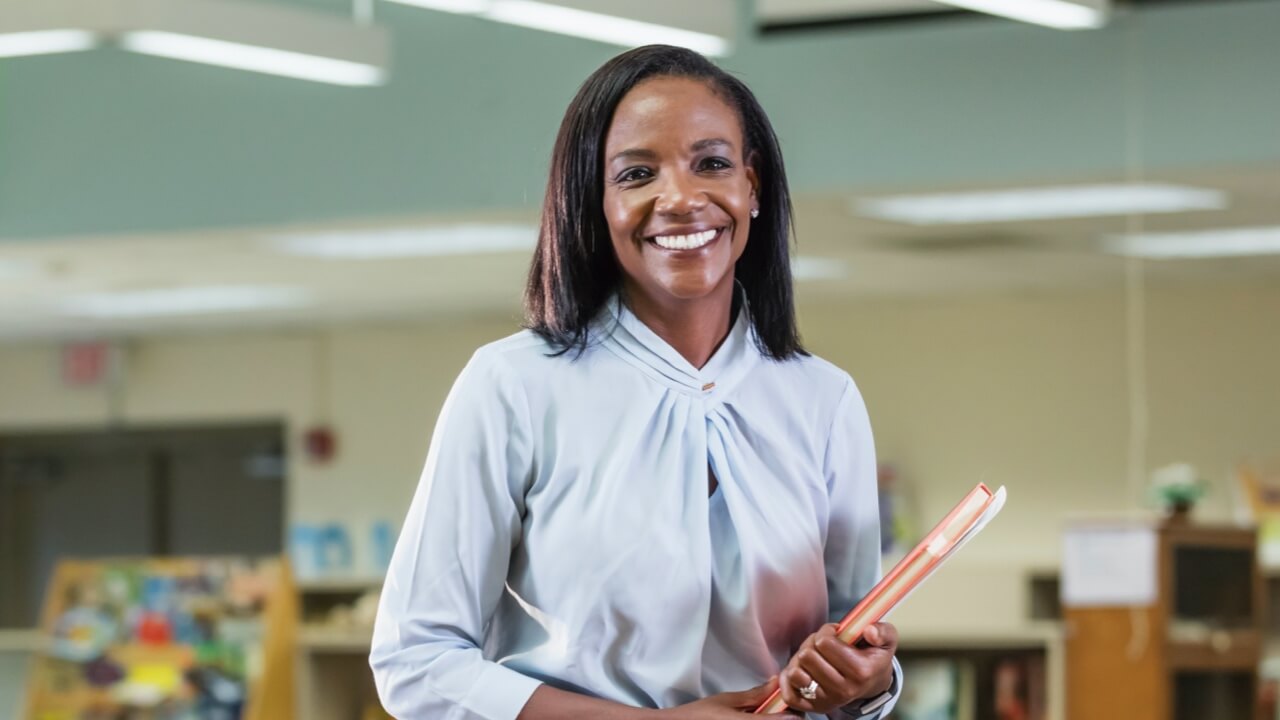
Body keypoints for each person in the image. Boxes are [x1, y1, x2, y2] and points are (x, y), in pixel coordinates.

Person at [370, 44, 902, 719]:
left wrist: (869, 682)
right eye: (637, 173)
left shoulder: (824, 400)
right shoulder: (513, 386)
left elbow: (853, 651)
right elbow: (415, 663)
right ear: (594, 201)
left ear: (753, 186)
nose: (680, 198)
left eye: (711, 164)